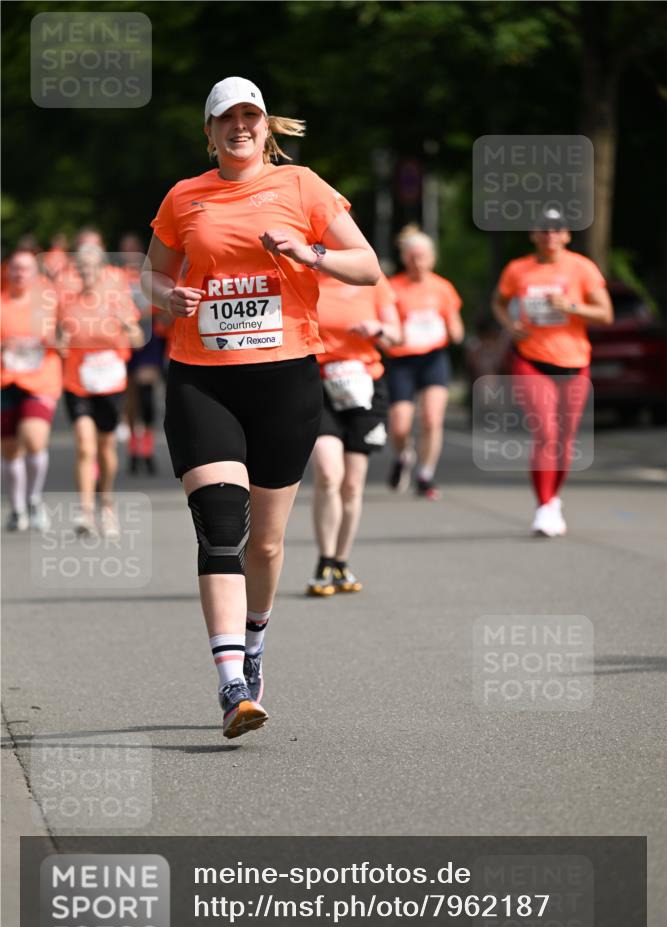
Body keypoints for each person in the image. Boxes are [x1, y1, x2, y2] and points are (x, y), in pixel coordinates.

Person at [141, 76, 380, 739]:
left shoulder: (302, 186)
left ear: (267, 126)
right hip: (203, 379)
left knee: (266, 544)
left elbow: (367, 266)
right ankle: (231, 685)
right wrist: (168, 297)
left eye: (251, 116)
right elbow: (151, 274)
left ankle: (253, 642)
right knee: (221, 527)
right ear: (210, 131)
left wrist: (311, 253)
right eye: (227, 118)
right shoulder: (184, 197)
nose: (239, 126)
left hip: (284, 380)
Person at [491, 207, 613, 537]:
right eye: (543, 229)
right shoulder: (518, 269)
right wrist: (510, 325)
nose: (550, 235)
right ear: (533, 234)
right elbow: (498, 302)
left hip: (574, 362)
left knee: (565, 439)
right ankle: (544, 506)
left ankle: (553, 497)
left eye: (557, 229)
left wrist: (569, 307)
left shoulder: (582, 268)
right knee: (545, 433)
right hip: (531, 360)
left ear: (567, 235)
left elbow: (605, 314)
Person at [307, 270, 401, 596]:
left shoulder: (371, 279)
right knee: (328, 473)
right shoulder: (305, 276)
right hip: (319, 385)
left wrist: (378, 329)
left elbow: (397, 335)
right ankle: (324, 561)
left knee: (351, 484)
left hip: (364, 386)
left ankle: (341, 561)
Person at [58, 244, 143, 537]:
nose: (85, 272)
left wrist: (126, 326)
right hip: (77, 381)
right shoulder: (66, 302)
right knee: (85, 445)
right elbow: (58, 341)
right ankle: (84, 512)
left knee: (106, 447)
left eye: (91, 267)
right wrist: (60, 342)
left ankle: (106, 503)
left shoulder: (116, 299)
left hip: (110, 382)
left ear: (102, 269)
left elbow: (138, 339)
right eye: (80, 267)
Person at [385, 226, 464, 499]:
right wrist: (389, 340)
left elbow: (455, 324)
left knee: (431, 419)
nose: (418, 262)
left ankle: (425, 475)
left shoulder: (443, 288)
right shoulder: (393, 288)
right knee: (399, 426)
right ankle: (403, 455)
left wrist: (455, 332)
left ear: (432, 258)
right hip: (402, 360)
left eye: (423, 257)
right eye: (413, 257)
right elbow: (386, 325)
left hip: (433, 358)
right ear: (405, 258)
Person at [1, 251, 61, 531]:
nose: (20, 274)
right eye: (15, 268)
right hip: (5, 380)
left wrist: (55, 339)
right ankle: (17, 508)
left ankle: (34, 500)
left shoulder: (48, 304)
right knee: (10, 449)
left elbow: (67, 336)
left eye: (25, 269)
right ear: (7, 271)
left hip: (40, 380)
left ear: (36, 274)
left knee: (34, 439)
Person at [119, 233, 167, 474]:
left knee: (147, 395)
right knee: (131, 399)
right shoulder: (115, 277)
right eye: (125, 249)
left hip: (149, 338)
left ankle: (147, 449)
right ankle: (133, 449)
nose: (130, 254)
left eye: (133, 249)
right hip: (123, 339)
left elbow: (162, 302)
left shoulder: (149, 275)